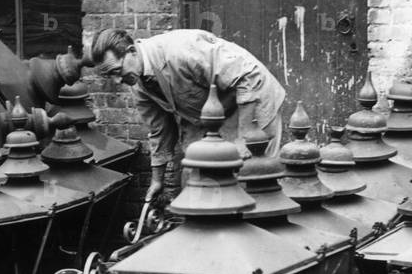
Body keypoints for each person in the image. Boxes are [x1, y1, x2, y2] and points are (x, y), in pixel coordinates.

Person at [90, 28, 286, 201]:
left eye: (117, 71)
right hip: (212, 114)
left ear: (132, 51)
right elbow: (160, 130)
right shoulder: (137, 81)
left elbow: (246, 76)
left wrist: (245, 137)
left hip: (251, 101)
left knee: (251, 179)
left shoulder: (181, 51)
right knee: (197, 176)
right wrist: (157, 181)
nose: (117, 81)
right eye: (110, 76)